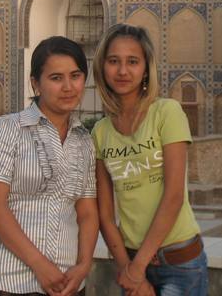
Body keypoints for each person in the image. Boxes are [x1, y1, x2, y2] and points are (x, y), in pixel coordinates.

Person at [0, 36, 98, 296]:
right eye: (56, 78)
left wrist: (84, 264)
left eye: (75, 76)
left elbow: (87, 212)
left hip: (68, 282)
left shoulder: (84, 141)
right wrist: (40, 266)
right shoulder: (9, 128)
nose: (68, 87)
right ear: (36, 83)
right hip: (9, 281)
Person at [91, 24, 207, 296]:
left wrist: (138, 266)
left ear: (146, 68)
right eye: (113, 61)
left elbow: (174, 196)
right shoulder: (100, 132)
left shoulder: (167, 113)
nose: (122, 71)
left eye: (133, 61)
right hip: (130, 264)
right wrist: (128, 270)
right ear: (102, 67)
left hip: (180, 264)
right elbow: (105, 215)